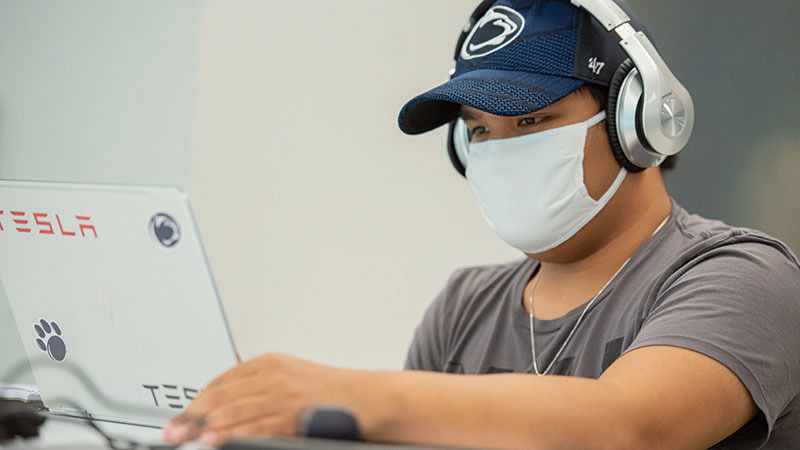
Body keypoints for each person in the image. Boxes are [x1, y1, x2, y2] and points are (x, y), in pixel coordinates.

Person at [163, 1, 800, 448]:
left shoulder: (744, 275)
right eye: (478, 131)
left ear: (636, 123)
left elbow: (630, 428)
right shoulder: (465, 306)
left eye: (529, 122)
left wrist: (341, 395)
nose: (499, 148)